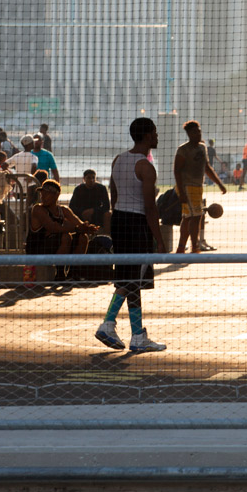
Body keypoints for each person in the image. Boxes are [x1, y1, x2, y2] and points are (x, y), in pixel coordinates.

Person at [95, 117, 166, 352]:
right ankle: (108, 322)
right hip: (137, 223)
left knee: (131, 278)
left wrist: (115, 219)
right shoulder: (145, 166)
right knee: (132, 278)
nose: (157, 137)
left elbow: (113, 193)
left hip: (120, 220)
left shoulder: (118, 160)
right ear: (147, 136)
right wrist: (160, 239)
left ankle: (137, 335)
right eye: (154, 133)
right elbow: (150, 207)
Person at [27, 181, 100, 281]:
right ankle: (60, 274)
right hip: (37, 248)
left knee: (83, 237)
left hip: (55, 246)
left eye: (46, 194)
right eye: (41, 193)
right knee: (66, 236)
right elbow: (53, 227)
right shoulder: (38, 209)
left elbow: (79, 224)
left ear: (56, 195)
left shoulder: (63, 210)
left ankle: (73, 273)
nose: (43, 196)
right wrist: (77, 228)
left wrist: (88, 228)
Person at [173, 120, 227, 254]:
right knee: (194, 217)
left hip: (197, 187)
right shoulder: (183, 150)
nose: (198, 134)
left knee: (191, 217)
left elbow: (207, 168)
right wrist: (181, 192)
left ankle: (186, 246)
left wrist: (219, 183)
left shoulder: (202, 148)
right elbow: (177, 171)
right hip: (186, 187)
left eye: (199, 131)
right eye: (194, 132)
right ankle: (191, 246)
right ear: (189, 134)